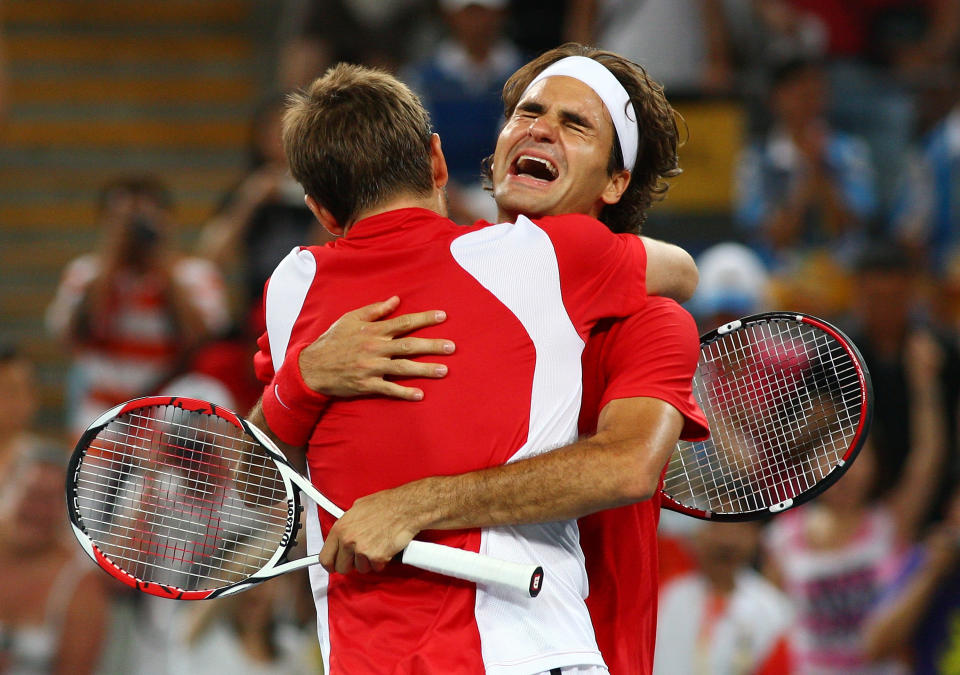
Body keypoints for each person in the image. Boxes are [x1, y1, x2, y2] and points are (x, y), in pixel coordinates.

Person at [259, 43, 708, 674]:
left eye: (575, 124)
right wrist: (303, 380)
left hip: (558, 650)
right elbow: (259, 454)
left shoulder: (651, 320)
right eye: (528, 112)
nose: (541, 129)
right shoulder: (426, 273)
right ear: (453, 158)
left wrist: (412, 503)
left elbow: (626, 465)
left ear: (616, 181)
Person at [45, 176, 230, 437]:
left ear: (168, 221)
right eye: (120, 220)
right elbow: (69, 337)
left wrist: (162, 263)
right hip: (101, 414)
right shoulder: (85, 273)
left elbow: (203, 342)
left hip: (167, 418)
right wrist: (111, 260)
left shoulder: (195, 275)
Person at [0, 444, 109, 674]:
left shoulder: (81, 585)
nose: (38, 510)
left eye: (51, 501)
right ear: (7, 489)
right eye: (32, 494)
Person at [654, 521, 794, 674]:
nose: (726, 538)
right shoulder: (666, 590)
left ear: (755, 538)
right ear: (696, 536)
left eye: (738, 529)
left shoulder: (773, 609)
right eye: (716, 527)